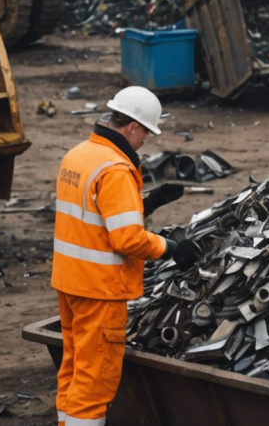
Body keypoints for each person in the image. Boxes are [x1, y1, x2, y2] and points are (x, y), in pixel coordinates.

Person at [51, 87, 202, 426]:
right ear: (132, 126)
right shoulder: (117, 169)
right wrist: (173, 248)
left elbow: (95, 216)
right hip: (99, 291)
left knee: (74, 367)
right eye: (146, 130)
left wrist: (152, 200)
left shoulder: (79, 155)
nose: (146, 139)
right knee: (95, 381)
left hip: (69, 281)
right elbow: (127, 239)